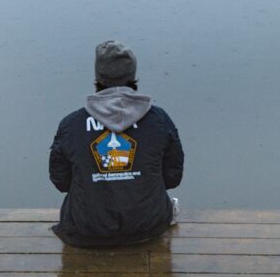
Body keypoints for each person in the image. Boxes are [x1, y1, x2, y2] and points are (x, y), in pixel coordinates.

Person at [49, 40, 184, 247]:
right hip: (148, 226)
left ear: (97, 78)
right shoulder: (159, 120)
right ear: (133, 76)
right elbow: (172, 177)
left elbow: (61, 182)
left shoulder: (71, 124)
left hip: (87, 229)